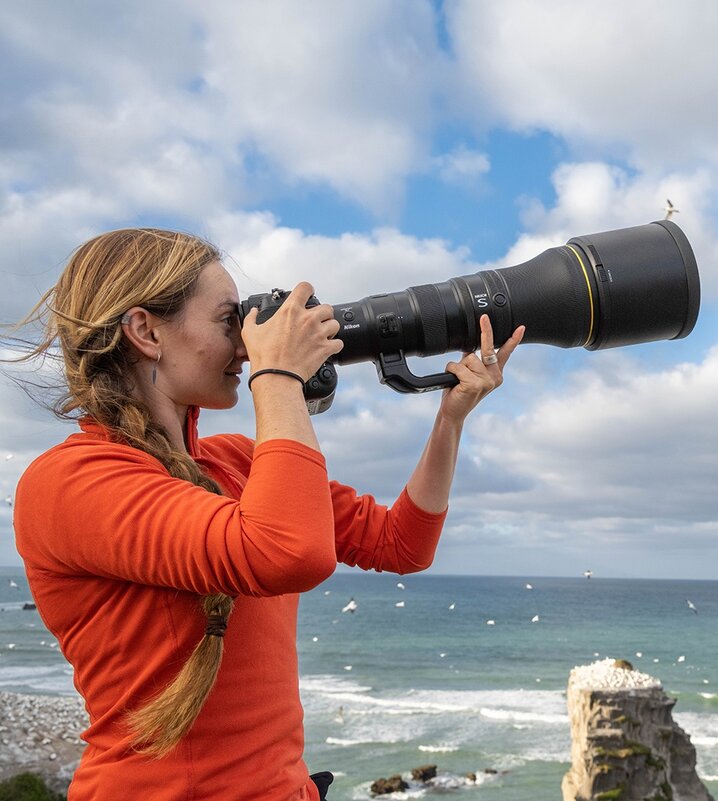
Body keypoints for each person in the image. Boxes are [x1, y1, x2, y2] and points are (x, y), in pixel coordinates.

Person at [9, 228, 524, 800]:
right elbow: (285, 553)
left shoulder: (237, 462)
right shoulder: (72, 482)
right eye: (231, 321)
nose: (247, 344)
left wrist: (450, 419)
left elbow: (401, 544)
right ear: (146, 331)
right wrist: (278, 378)